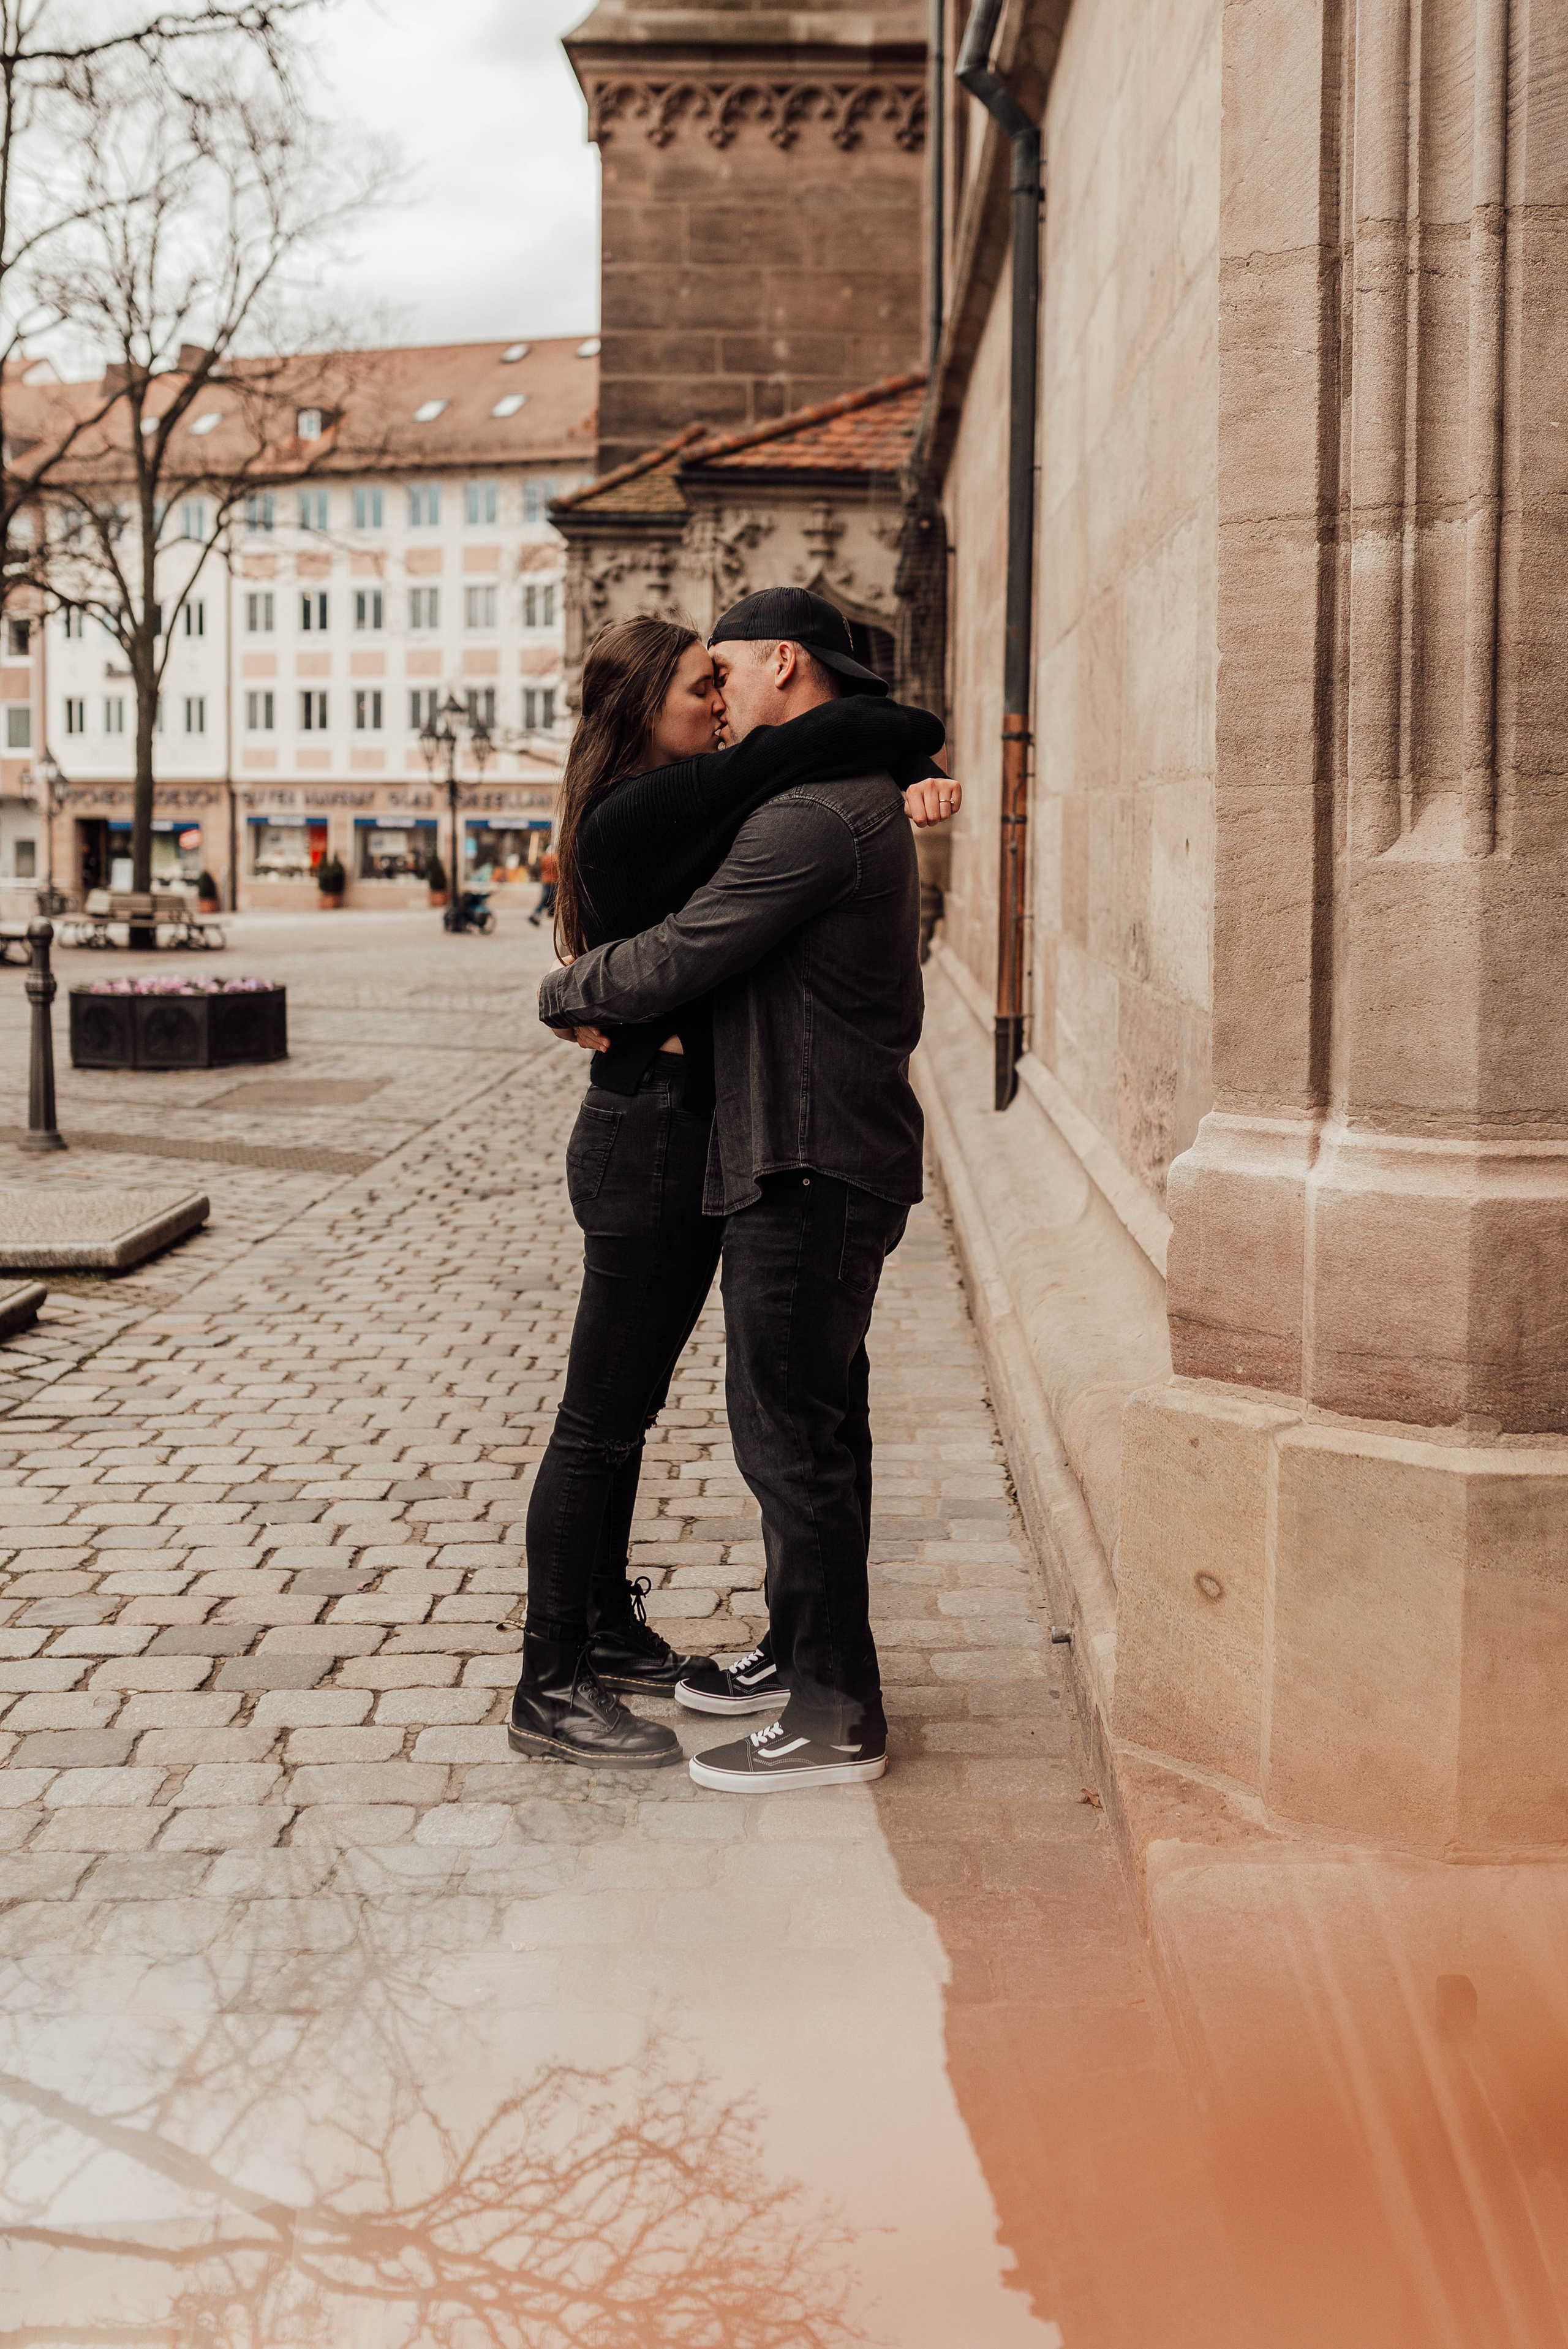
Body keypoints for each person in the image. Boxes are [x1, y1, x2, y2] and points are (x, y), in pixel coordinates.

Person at [508, 610, 957, 1769]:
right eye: (696, 683)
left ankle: (651, 1638)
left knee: (735, 1415)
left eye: (727, 675)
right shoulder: (642, 809)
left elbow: (803, 774)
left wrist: (904, 768)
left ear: (781, 665)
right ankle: (554, 1675)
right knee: (606, 1418)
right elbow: (701, 927)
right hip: (648, 1130)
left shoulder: (749, 803)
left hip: (739, 1134)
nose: (717, 699)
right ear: (640, 704)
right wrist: (565, 990)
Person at [528, 844, 559, 927]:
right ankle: (539, 914)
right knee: (549, 899)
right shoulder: (556, 858)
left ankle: (538, 914)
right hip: (554, 882)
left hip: (545, 881)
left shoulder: (544, 858)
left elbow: (540, 868)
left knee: (546, 898)